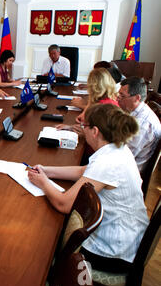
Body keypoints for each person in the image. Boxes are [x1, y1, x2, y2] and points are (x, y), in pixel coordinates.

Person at [28, 104, 149, 272]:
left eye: (85, 126)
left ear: (95, 131)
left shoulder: (107, 162)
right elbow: (83, 171)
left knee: (46, 241)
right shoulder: (116, 148)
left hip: (114, 252)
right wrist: (47, 171)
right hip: (129, 236)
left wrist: (43, 183)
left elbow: (64, 204)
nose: (82, 130)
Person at [117, 76, 161, 172]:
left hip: (128, 171)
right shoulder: (135, 110)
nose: (118, 98)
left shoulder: (141, 125)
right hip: (124, 161)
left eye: (122, 96)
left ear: (137, 98)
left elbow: (122, 157)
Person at [57, 68, 119, 134]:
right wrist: (71, 127)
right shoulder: (105, 98)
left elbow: (96, 132)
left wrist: (72, 128)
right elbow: (85, 121)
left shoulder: (104, 106)